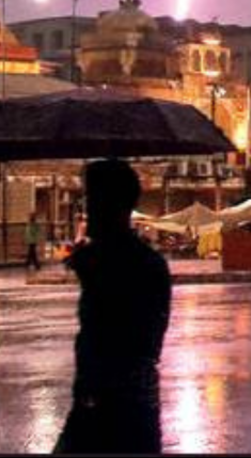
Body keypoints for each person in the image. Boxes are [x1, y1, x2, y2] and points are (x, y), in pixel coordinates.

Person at [55, 159, 171, 455]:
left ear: (112, 205)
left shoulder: (132, 265)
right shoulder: (145, 262)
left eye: (92, 199)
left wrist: (97, 274)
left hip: (112, 408)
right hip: (124, 404)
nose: (87, 210)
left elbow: (126, 340)